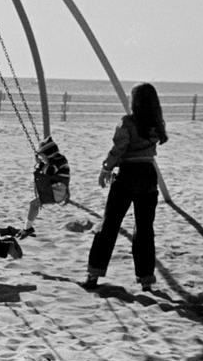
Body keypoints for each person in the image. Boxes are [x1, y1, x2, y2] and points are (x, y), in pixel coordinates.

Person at [83, 83, 169, 291]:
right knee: (144, 229)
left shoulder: (128, 122)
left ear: (135, 101)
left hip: (128, 174)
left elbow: (119, 148)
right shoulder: (156, 124)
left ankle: (94, 274)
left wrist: (106, 168)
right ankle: (146, 279)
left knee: (110, 224)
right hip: (148, 174)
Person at [24, 135, 71, 231]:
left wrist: (40, 164)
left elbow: (50, 171)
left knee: (34, 205)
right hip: (59, 190)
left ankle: (27, 229)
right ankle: (27, 228)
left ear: (49, 154)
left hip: (56, 192)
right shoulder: (58, 159)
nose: (42, 159)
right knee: (34, 204)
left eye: (43, 156)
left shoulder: (58, 160)